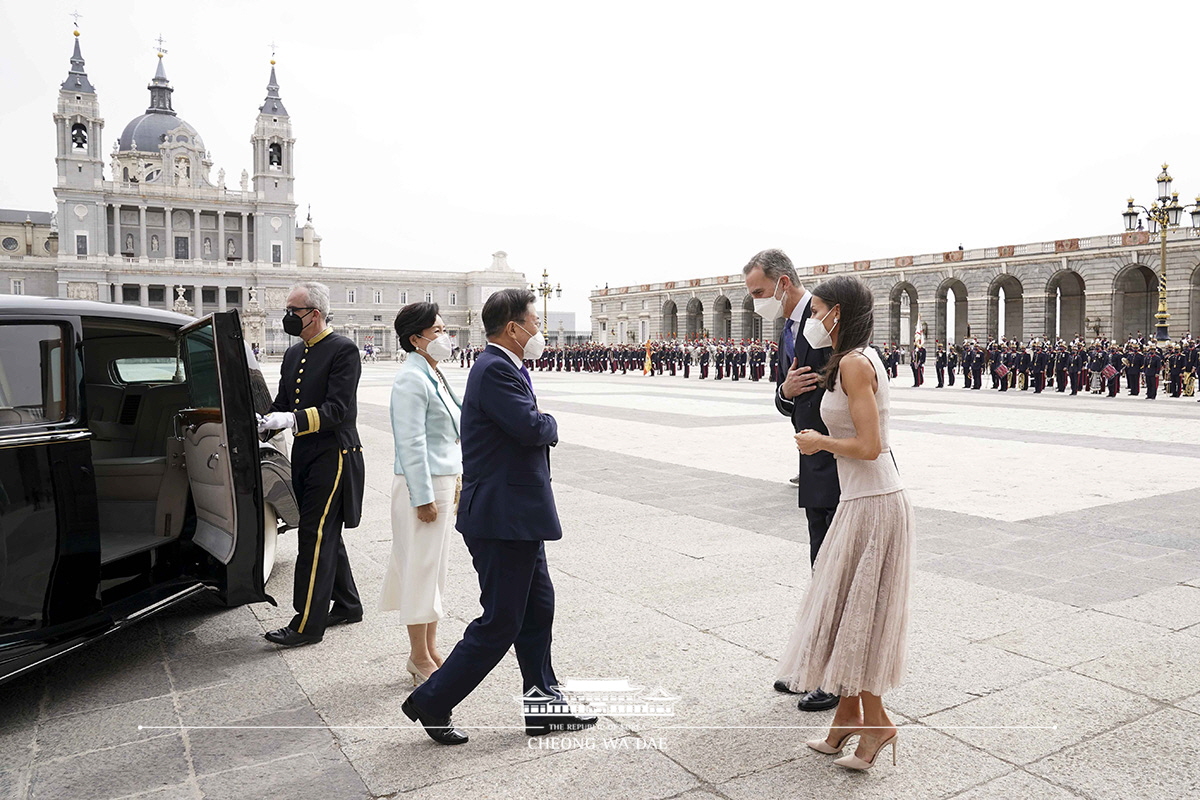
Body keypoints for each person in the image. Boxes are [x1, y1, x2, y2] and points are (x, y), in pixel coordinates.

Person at [402, 288, 596, 745]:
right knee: (501, 621)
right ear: (513, 328)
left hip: (517, 516)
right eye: (533, 321)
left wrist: (539, 422)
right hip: (502, 518)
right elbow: (531, 427)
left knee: (537, 610)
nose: (538, 330)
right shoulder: (494, 370)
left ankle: (543, 705)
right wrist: (550, 423)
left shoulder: (505, 366)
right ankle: (433, 699)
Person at [781, 274, 913, 772]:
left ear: (838, 312)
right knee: (843, 612)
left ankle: (876, 725)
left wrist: (820, 442)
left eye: (816, 311)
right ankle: (847, 722)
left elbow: (871, 446)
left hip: (874, 499)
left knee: (857, 614)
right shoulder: (851, 359)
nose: (811, 320)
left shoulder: (856, 363)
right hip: (861, 497)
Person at [743, 248, 840, 713]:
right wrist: (783, 392)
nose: (756, 301)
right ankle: (816, 666)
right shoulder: (786, 327)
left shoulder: (821, 320)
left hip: (835, 464)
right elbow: (788, 395)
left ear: (783, 283)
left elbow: (842, 388)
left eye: (760, 292)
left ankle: (835, 675)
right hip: (813, 462)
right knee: (821, 568)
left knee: (833, 571)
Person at [257, 281, 364, 646]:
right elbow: (282, 401)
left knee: (313, 535)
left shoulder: (343, 350)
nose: (287, 316)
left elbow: (337, 410)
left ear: (314, 314)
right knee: (324, 531)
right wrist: (262, 425)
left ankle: (306, 624)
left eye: (293, 310)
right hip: (305, 454)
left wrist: (291, 421)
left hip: (333, 453)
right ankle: (348, 604)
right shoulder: (293, 353)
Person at [380, 302, 463, 686]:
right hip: (423, 485)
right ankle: (417, 655)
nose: (446, 337)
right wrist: (422, 496)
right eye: (439, 331)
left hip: (442, 479)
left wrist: (458, 477)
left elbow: (450, 432)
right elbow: (411, 441)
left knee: (434, 571)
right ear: (416, 339)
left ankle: (430, 647)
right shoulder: (411, 378)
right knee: (419, 571)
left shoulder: (433, 372)